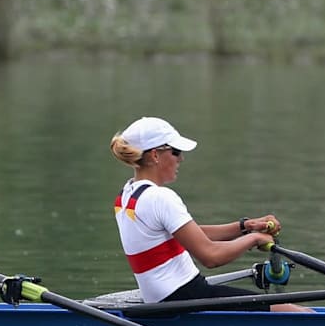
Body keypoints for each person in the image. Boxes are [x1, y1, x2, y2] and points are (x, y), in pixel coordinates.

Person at [110, 116, 310, 312]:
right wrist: (255, 239)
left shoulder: (127, 195)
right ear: (155, 155)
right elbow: (211, 257)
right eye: (176, 151)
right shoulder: (161, 197)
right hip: (186, 299)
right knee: (301, 315)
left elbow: (190, 233)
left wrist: (245, 227)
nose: (181, 158)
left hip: (166, 300)